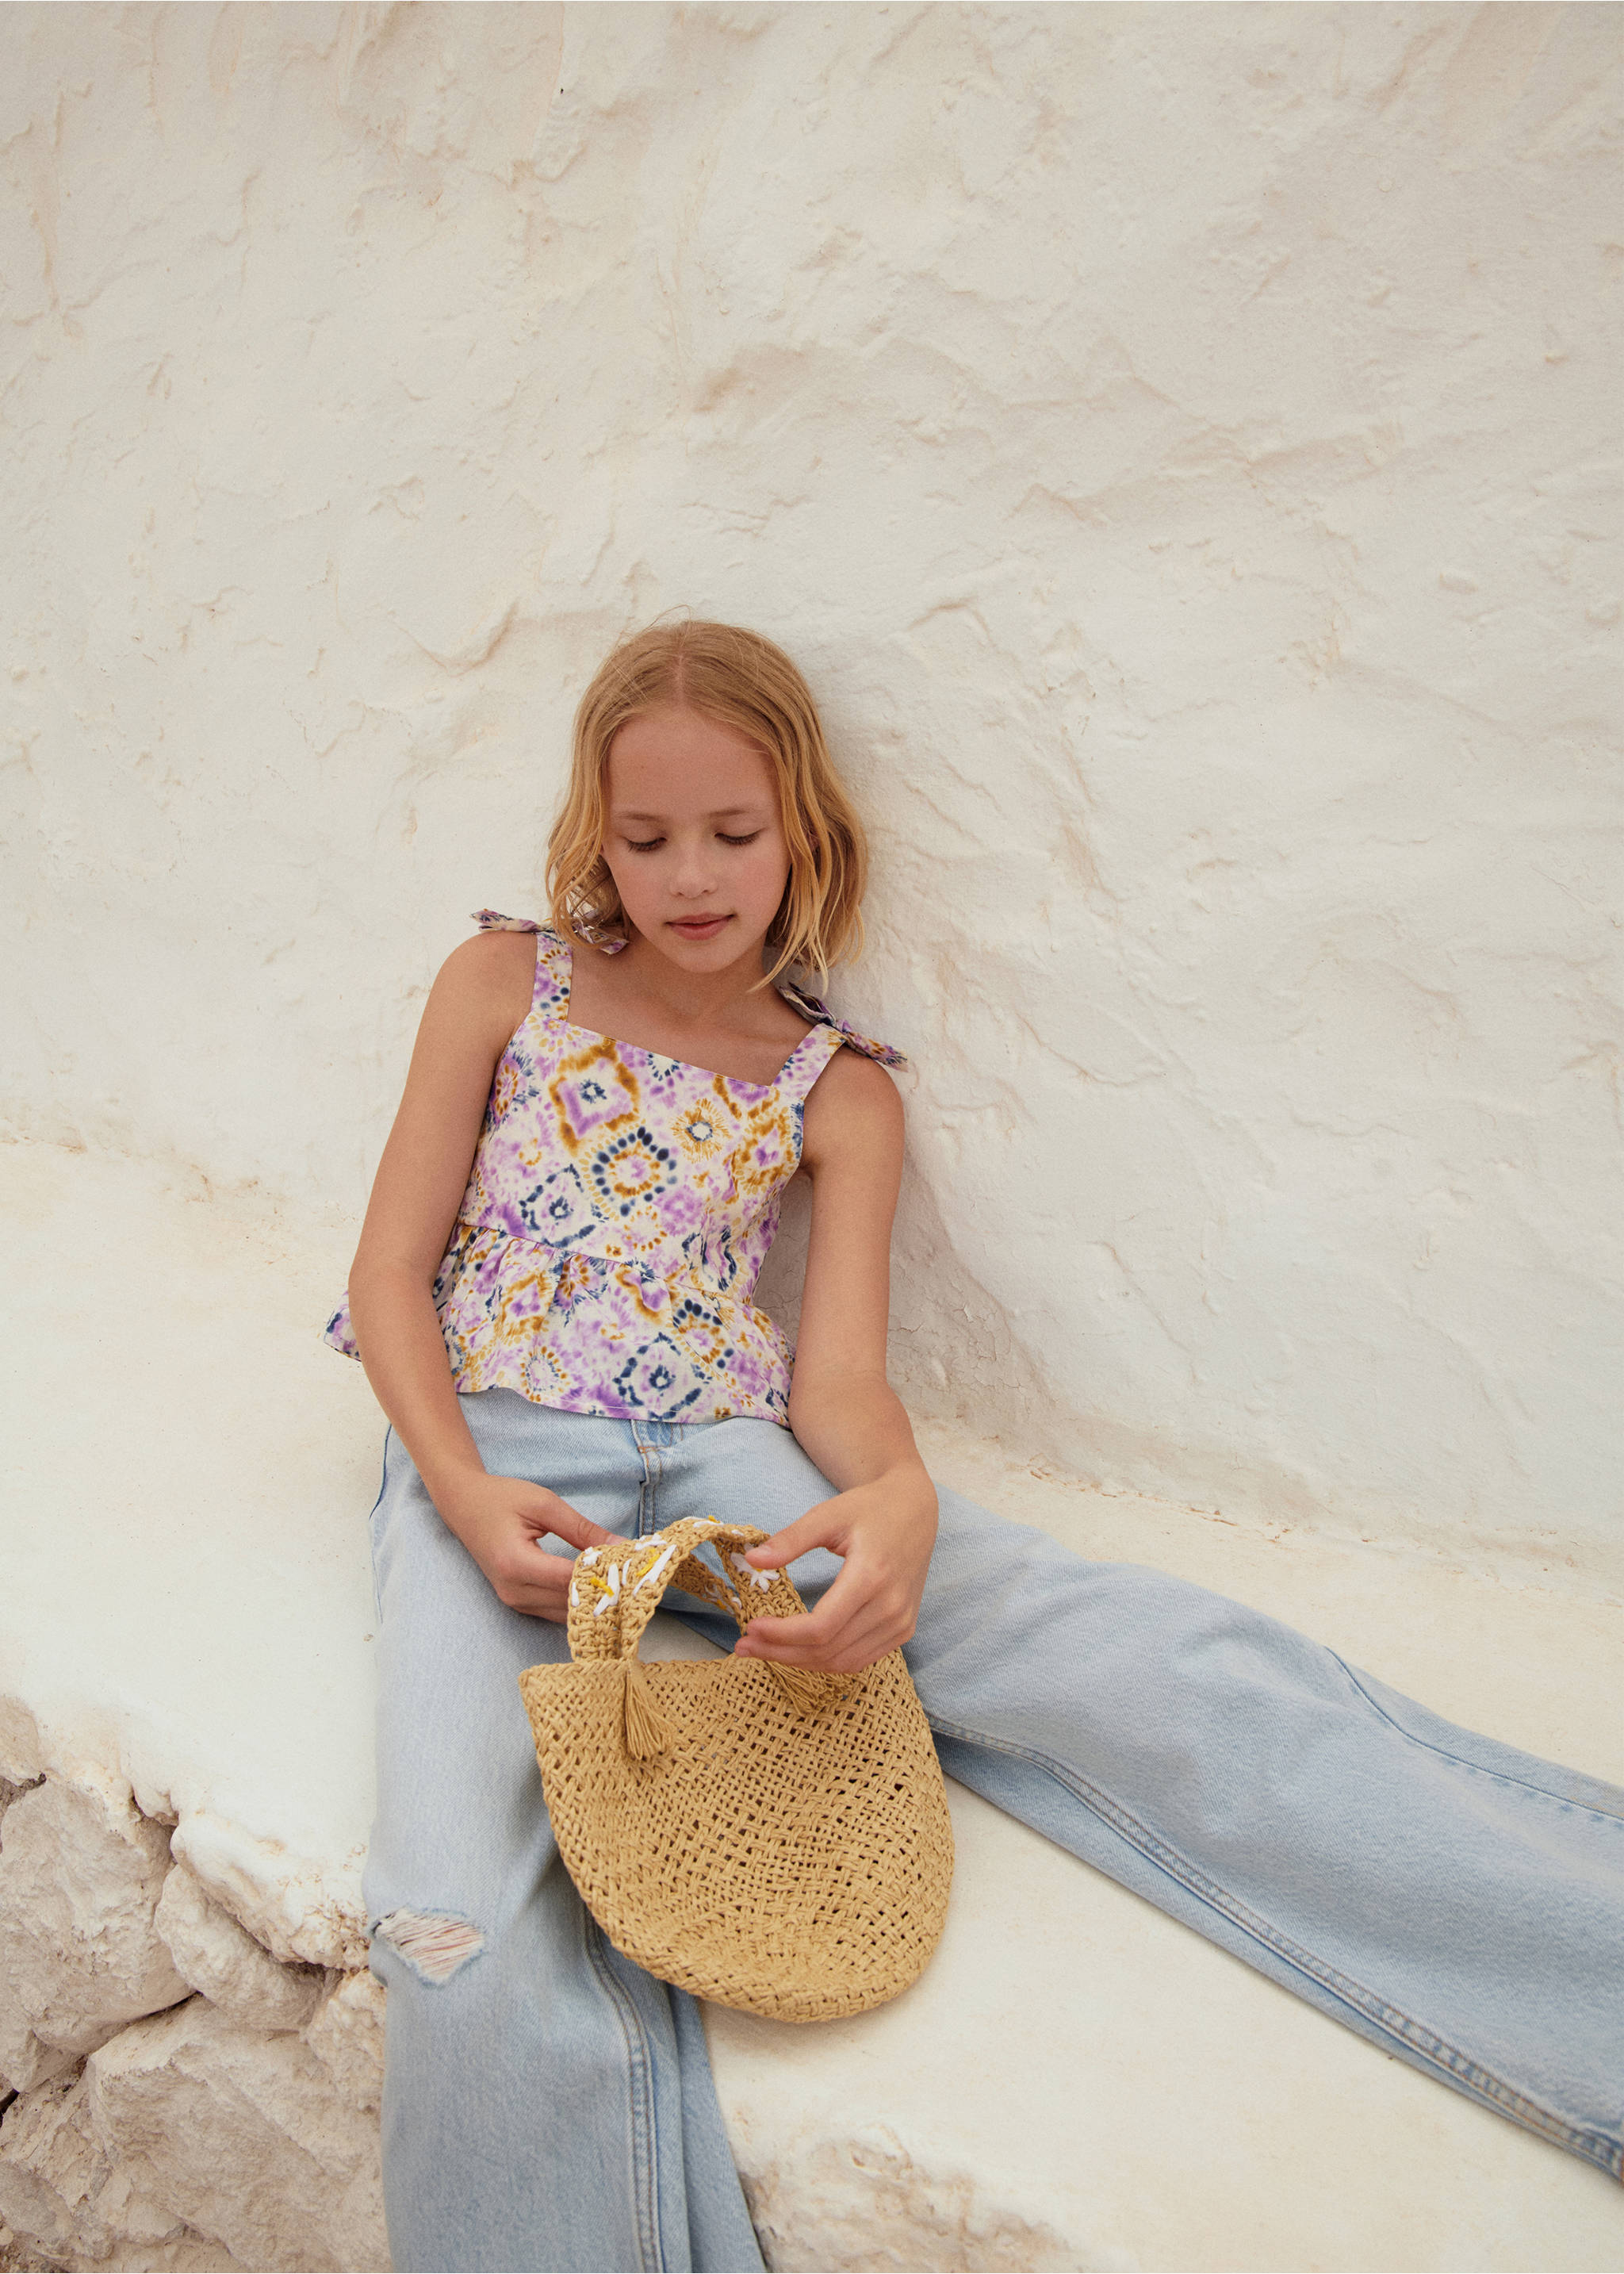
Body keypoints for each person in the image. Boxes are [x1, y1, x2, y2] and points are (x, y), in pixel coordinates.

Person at [330, 618, 1623, 2274]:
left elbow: (839, 1380)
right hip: (500, 1463)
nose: (689, 876)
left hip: (734, 1467)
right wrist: (452, 1485)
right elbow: (386, 1274)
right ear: (595, 830)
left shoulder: (836, 1087)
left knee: (1147, 1664)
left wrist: (896, 1504)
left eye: (732, 832)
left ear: (805, 826)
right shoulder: (506, 982)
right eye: (646, 838)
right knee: (458, 1923)